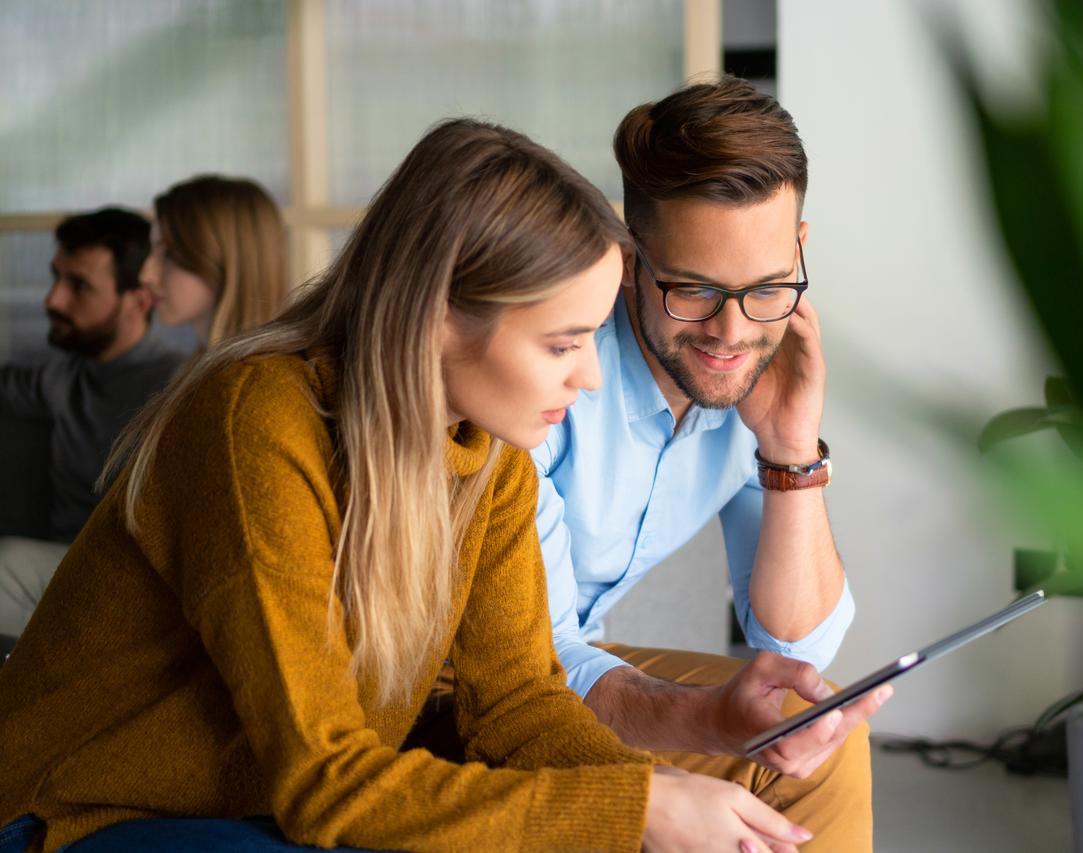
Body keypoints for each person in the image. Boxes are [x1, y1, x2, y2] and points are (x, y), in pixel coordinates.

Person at [0, 119, 814, 853]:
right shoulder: (255, 420)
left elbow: (520, 704)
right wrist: (630, 810)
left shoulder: (488, 457)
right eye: (563, 343)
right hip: (73, 811)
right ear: (437, 318)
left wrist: (654, 798)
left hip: (254, 804)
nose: (593, 376)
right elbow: (324, 780)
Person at [533, 77, 881, 850]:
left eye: (765, 288)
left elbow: (796, 653)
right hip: (482, 667)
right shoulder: (551, 367)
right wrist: (706, 724)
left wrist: (791, 449)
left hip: (566, 652)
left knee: (818, 735)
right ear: (630, 260)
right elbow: (526, 659)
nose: (731, 333)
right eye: (694, 290)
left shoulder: (765, 357)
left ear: (799, 249)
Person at [0, 208, 186, 637]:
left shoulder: (179, 388)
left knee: (6, 566)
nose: (53, 300)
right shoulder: (60, 376)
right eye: (56, 278)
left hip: (135, 587)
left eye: (78, 286)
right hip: (59, 575)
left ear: (138, 301)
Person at [139, 174, 289, 348]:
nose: (146, 276)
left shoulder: (261, 373)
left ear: (229, 259)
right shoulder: (200, 363)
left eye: (169, 255)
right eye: (152, 251)